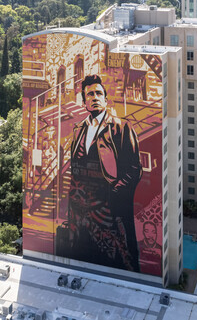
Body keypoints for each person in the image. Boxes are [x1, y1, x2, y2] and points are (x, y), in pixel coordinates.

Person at [67, 74, 142, 272]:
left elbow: (135, 169)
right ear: (84, 102)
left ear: (106, 100)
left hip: (110, 210)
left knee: (119, 260)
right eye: (89, 94)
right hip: (82, 213)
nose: (94, 97)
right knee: (84, 257)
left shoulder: (122, 127)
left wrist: (114, 193)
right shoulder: (78, 129)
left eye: (98, 93)